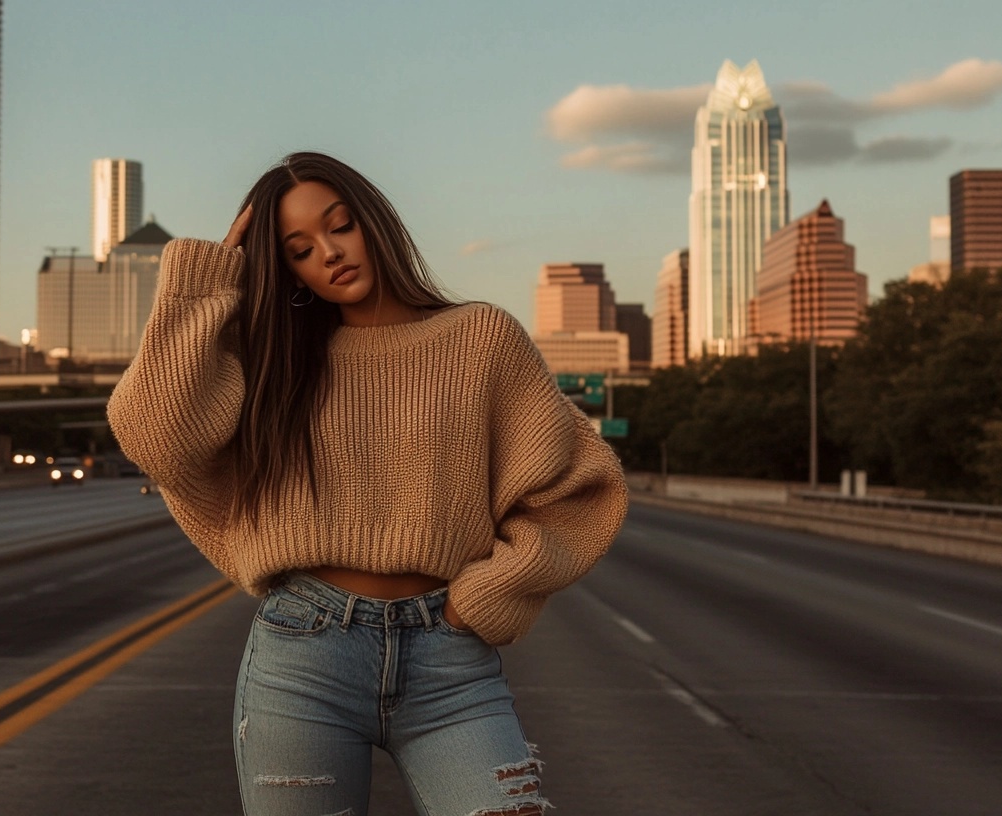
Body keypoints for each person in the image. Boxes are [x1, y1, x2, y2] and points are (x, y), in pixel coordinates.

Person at [107, 152, 627, 816]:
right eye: (298, 249)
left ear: (373, 221)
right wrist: (203, 282)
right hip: (301, 658)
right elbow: (156, 436)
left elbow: (579, 487)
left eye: (340, 225)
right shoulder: (275, 367)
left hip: (452, 662)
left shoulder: (482, 340)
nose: (328, 252)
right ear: (286, 270)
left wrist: (493, 591)